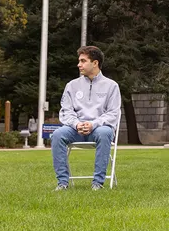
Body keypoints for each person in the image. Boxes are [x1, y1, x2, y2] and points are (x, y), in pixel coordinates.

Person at [51, 46, 121, 191]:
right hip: (75, 130)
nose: (79, 64)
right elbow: (66, 111)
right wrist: (77, 124)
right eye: (79, 61)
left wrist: (93, 124)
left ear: (95, 63)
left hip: (98, 130)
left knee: (105, 132)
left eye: (83, 61)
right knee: (57, 134)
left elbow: (113, 113)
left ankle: (97, 183)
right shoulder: (72, 85)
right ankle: (62, 183)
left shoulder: (111, 86)